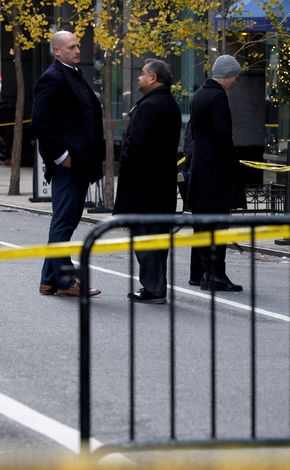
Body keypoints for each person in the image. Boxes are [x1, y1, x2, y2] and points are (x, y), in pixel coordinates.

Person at [32, 31, 103, 298]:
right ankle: (64, 282)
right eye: (71, 47)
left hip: (80, 163)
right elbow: (41, 122)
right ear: (57, 51)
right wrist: (62, 156)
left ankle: (49, 280)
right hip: (68, 165)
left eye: (78, 46)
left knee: (66, 220)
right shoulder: (52, 77)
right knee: (64, 222)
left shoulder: (72, 73)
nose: (78, 50)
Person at [113, 59, 182, 304]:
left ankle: (153, 288)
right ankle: (155, 286)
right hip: (159, 186)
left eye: (142, 74)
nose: (139, 78)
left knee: (146, 239)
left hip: (145, 187)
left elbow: (136, 147)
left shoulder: (151, 106)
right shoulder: (167, 104)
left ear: (153, 78)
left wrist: (127, 172)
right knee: (156, 239)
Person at [187, 54, 246, 292]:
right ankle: (216, 276)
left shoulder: (200, 93)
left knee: (203, 227)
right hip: (216, 172)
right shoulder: (218, 97)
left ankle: (203, 274)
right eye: (235, 77)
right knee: (218, 226)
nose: (235, 81)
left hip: (201, 167)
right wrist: (234, 165)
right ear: (228, 75)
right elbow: (223, 136)